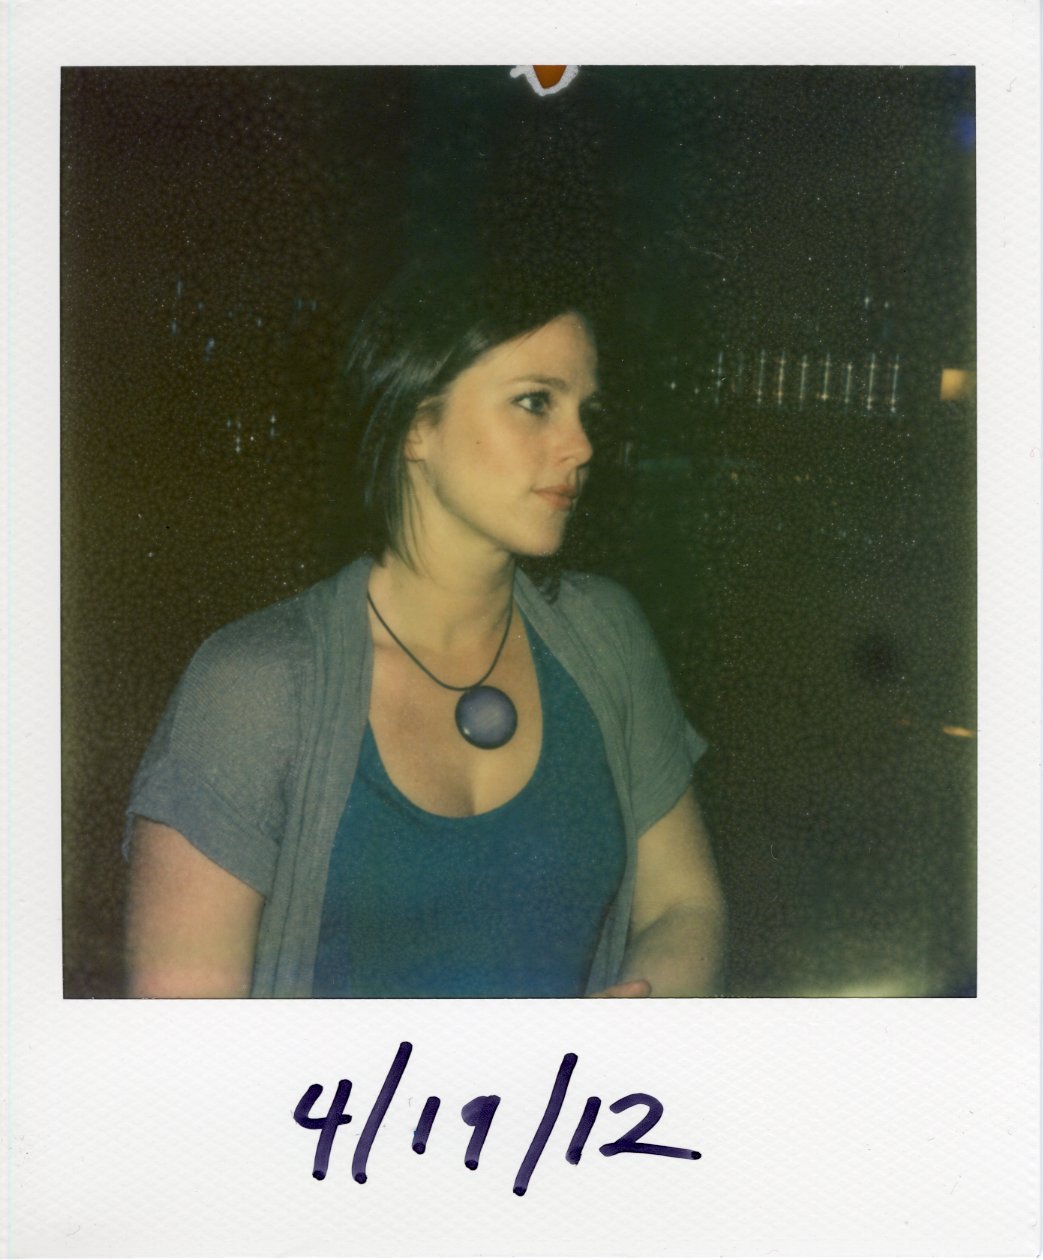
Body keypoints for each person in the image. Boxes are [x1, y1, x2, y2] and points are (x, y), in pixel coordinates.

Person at [123, 258, 725, 998]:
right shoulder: (255, 686)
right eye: (536, 402)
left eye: (585, 412)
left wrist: (638, 1012)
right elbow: (183, 1035)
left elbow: (683, 906)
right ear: (415, 425)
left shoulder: (607, 635)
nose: (582, 446)